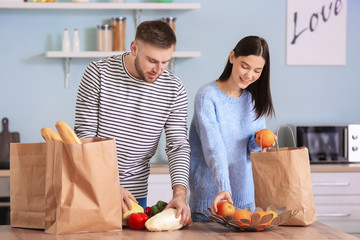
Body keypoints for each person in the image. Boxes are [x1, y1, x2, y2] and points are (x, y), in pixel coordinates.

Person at [74, 20, 191, 225]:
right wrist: (110, 186)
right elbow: (85, 138)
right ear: (134, 48)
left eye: (166, 62)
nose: (159, 69)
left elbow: (178, 146)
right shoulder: (98, 73)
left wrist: (180, 193)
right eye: (152, 60)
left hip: (135, 199)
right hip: (93, 190)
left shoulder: (174, 89)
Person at [188, 36, 275, 221]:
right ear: (232, 57)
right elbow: (214, 147)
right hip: (211, 202)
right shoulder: (207, 97)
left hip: (245, 200)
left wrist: (261, 141)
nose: (249, 75)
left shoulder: (252, 100)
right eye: (245, 66)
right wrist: (224, 187)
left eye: (257, 70)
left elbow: (250, 149)